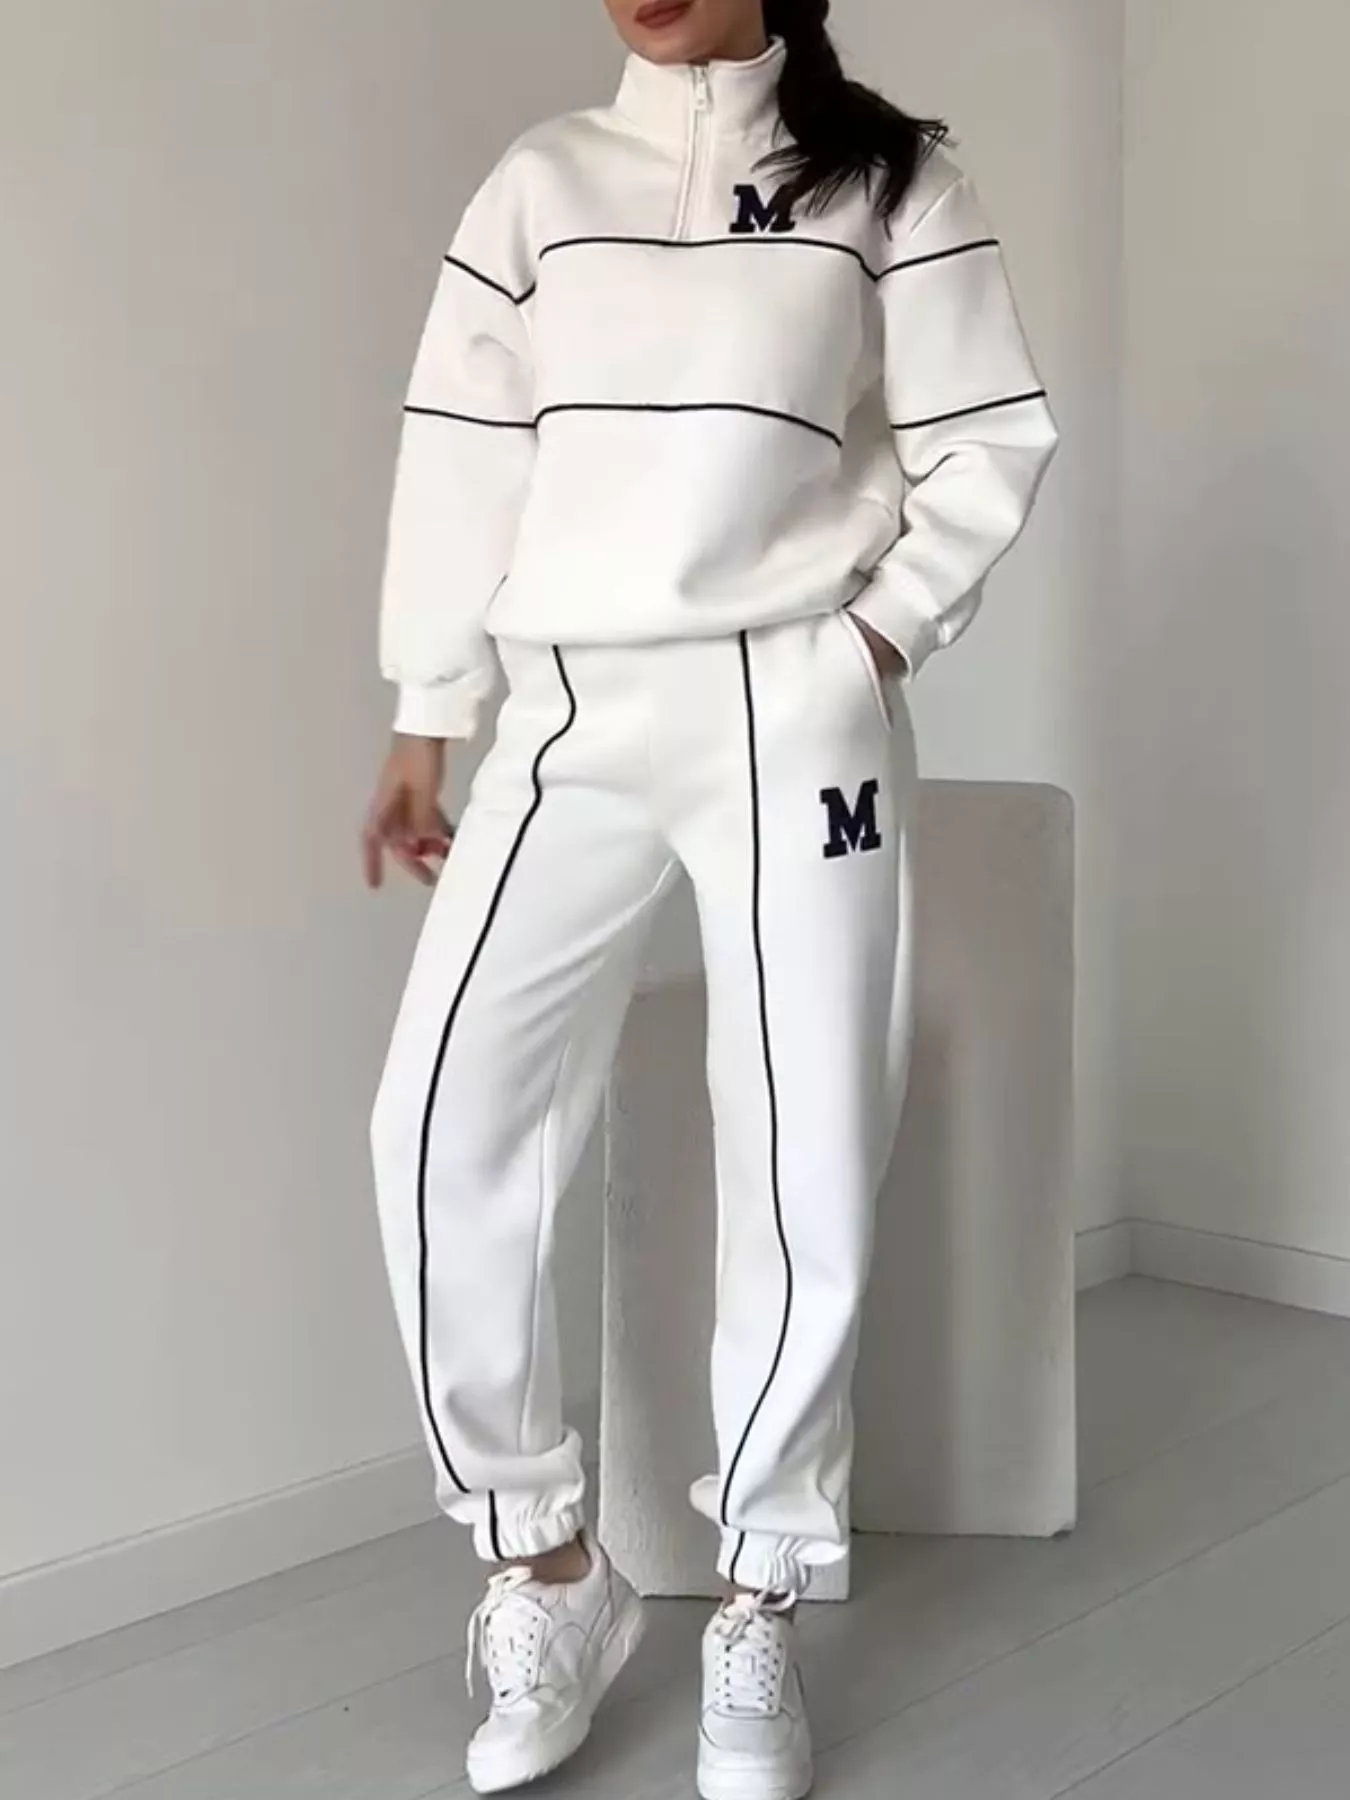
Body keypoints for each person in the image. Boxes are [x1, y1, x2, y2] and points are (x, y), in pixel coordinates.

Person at [363, 0, 1057, 1793]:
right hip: (568, 709)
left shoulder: (889, 178)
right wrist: (430, 712)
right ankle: (545, 1563)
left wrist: (874, 639)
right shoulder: (541, 183)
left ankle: (761, 1591)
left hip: (790, 706)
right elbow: (464, 445)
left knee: (805, 1132)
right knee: (438, 1121)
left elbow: (989, 433)